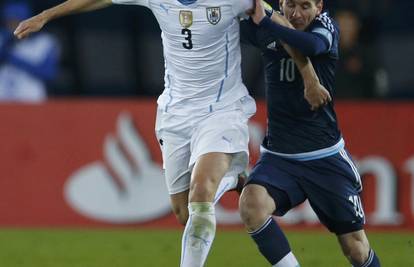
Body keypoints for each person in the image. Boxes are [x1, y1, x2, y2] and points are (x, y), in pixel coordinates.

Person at [14, 0, 328, 266]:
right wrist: (45, 16)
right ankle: (233, 177)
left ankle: (224, 176)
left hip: (222, 111)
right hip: (175, 115)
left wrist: (310, 79)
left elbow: (281, 27)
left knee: (201, 194)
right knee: (184, 213)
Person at [239, 0, 381, 266]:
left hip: (324, 156)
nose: (297, 13)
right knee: (251, 205)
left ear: (319, 6)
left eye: (305, 6)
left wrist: (268, 20)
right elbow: (225, 25)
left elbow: (311, 46)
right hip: (279, 156)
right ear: (281, 4)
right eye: (290, 5)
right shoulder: (269, 27)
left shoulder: (325, 27)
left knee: (356, 250)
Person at [0, 1, 60, 102]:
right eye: (9, 21)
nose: (12, 25)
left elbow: (49, 73)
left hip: (31, 100)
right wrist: (6, 44)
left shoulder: (45, 42)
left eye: (16, 21)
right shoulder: (2, 39)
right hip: (3, 100)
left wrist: (12, 58)